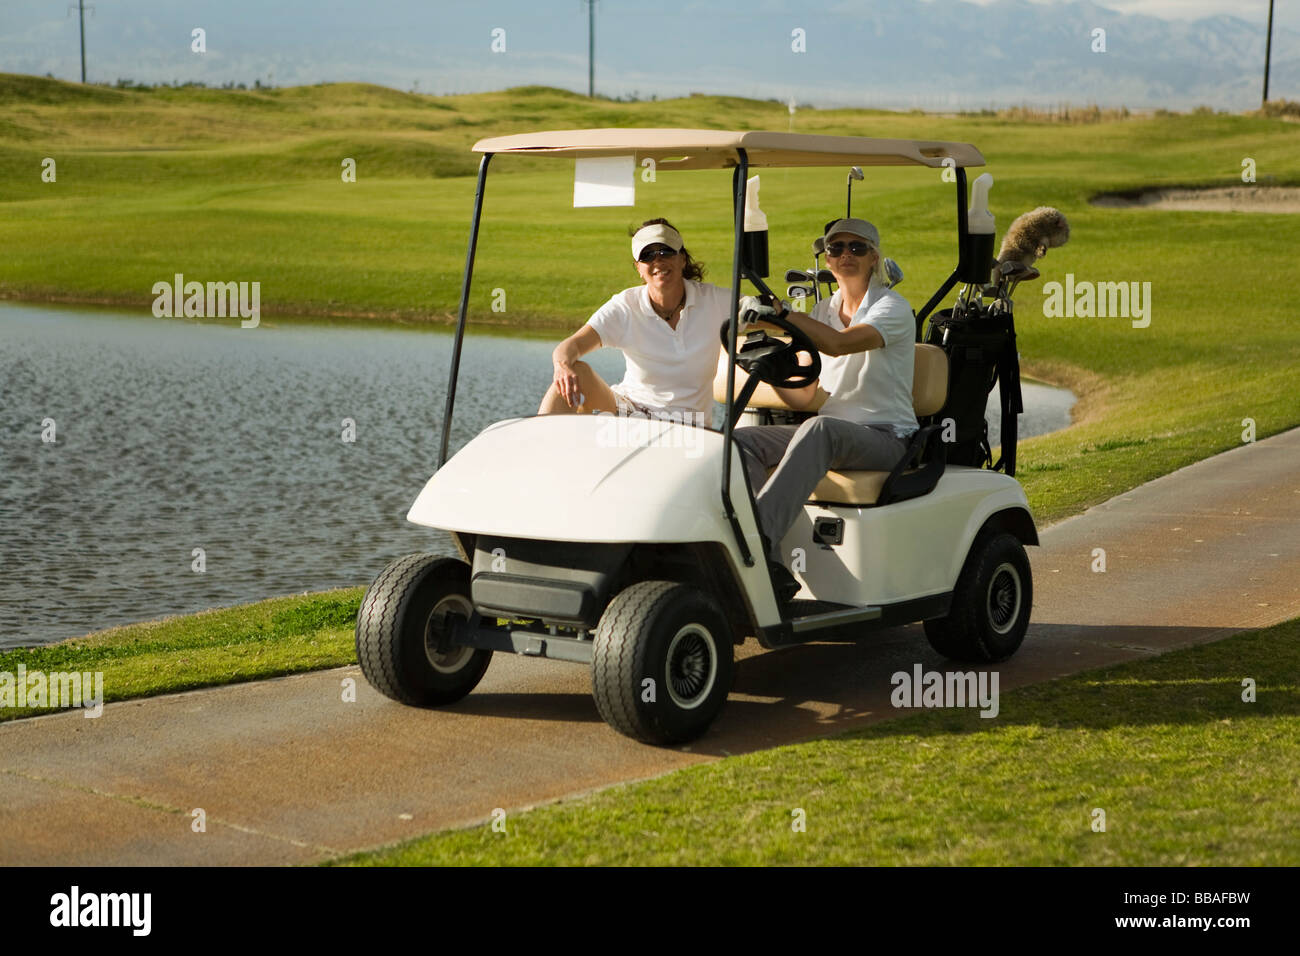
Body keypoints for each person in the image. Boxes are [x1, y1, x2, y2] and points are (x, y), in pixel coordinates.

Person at [733, 218, 918, 600]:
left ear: (874, 257)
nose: (845, 254)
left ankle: (749, 543)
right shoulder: (822, 309)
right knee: (738, 441)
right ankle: (768, 557)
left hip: (887, 438)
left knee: (821, 430)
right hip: (833, 433)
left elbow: (837, 344)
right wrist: (772, 365)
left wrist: (781, 315)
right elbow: (805, 397)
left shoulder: (892, 308)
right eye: (836, 248)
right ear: (826, 260)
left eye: (857, 247)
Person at [538, 218, 736, 424]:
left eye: (666, 251)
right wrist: (562, 366)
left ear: (682, 259)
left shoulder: (715, 301)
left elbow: (764, 309)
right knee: (576, 371)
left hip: (686, 427)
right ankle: (540, 447)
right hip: (628, 412)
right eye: (648, 256)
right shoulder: (626, 305)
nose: (658, 261)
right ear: (638, 268)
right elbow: (572, 345)